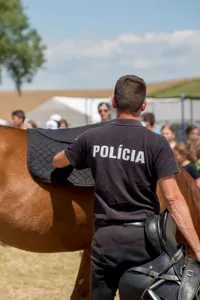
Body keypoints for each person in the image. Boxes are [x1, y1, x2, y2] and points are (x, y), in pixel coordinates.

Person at [52, 74, 200, 300]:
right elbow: (173, 200)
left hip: (106, 238)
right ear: (143, 105)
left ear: (113, 102)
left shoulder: (92, 137)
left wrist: (77, 148)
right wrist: (197, 248)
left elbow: (58, 161)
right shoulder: (156, 143)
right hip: (144, 240)